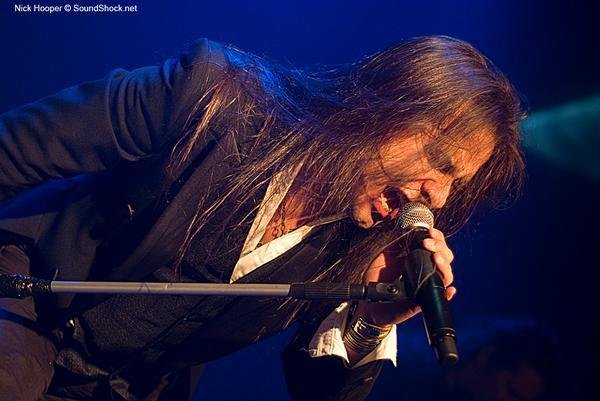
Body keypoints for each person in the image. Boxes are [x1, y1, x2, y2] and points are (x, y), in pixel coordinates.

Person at [0, 36, 525, 401]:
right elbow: (17, 147)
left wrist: (371, 319)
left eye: (456, 182)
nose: (438, 197)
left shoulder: (362, 249)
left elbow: (316, 393)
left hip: (127, 387)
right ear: (384, 108)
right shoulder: (209, 96)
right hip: (27, 299)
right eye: (440, 162)